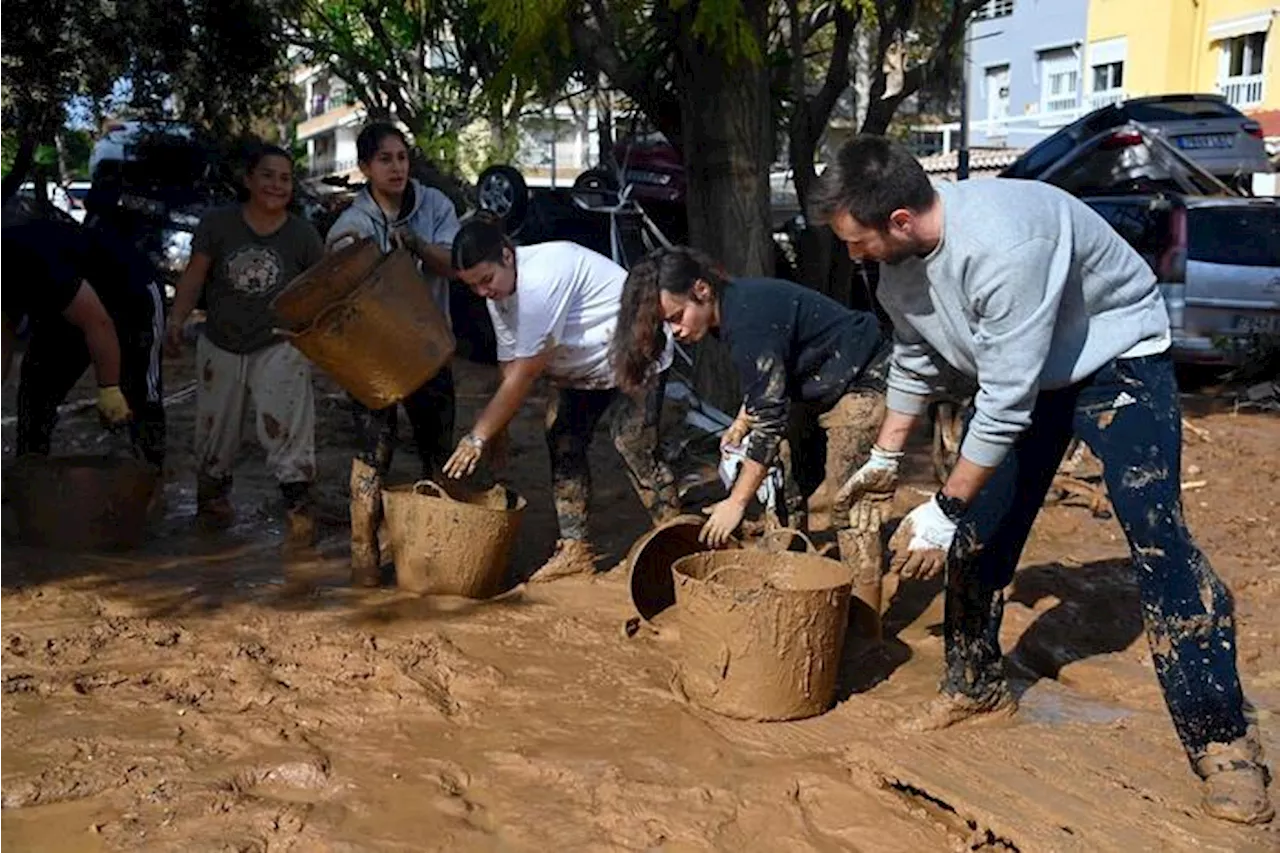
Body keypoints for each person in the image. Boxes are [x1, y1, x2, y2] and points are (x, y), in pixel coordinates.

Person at [807, 134, 1273, 826]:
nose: (852, 255)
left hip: (1115, 359)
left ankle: (1222, 739)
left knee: (1157, 535)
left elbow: (1004, 402)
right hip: (1025, 373)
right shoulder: (896, 263)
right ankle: (976, 683)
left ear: (899, 220)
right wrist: (883, 458)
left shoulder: (1004, 246)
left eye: (856, 241)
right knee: (979, 529)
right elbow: (915, 354)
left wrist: (943, 503)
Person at [443, 218, 680, 581]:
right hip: (583, 368)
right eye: (472, 286)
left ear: (507, 255)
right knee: (563, 439)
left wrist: (479, 436)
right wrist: (499, 427)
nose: (482, 292)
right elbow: (509, 363)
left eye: (486, 280)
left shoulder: (542, 278)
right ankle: (575, 548)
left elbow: (526, 372)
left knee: (632, 443)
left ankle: (678, 542)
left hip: (637, 352)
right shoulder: (500, 295)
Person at [610, 246, 889, 548]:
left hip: (863, 374)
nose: (675, 331)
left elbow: (770, 419)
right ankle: (787, 561)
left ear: (701, 290)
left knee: (849, 500)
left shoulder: (746, 318)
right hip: (815, 381)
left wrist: (736, 502)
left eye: (677, 317)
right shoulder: (727, 313)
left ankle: (864, 591)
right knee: (781, 473)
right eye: (668, 323)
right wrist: (744, 419)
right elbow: (768, 377)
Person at [324, 122, 462, 585]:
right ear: (365, 168)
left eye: (401, 157)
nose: (396, 167)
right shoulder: (351, 225)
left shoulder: (436, 206)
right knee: (372, 456)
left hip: (429, 351)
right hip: (373, 361)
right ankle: (364, 554)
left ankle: (436, 552)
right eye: (385, 159)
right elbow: (337, 294)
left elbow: (457, 266)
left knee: (438, 454)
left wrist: (418, 246)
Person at [166, 145, 324, 548]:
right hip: (220, 342)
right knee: (214, 434)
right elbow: (194, 277)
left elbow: (323, 290)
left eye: (285, 178)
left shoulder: (302, 234)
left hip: (279, 345)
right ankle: (212, 507)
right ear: (249, 179)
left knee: (289, 431)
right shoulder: (218, 224)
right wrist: (175, 320)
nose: (277, 185)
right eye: (268, 175)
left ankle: (299, 513)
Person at [0, 217, 165, 466]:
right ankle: (30, 471)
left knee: (138, 393)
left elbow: (98, 324)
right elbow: (3, 336)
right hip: (66, 310)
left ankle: (149, 475)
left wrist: (109, 389)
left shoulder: (30, 260)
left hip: (130, 296)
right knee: (36, 389)